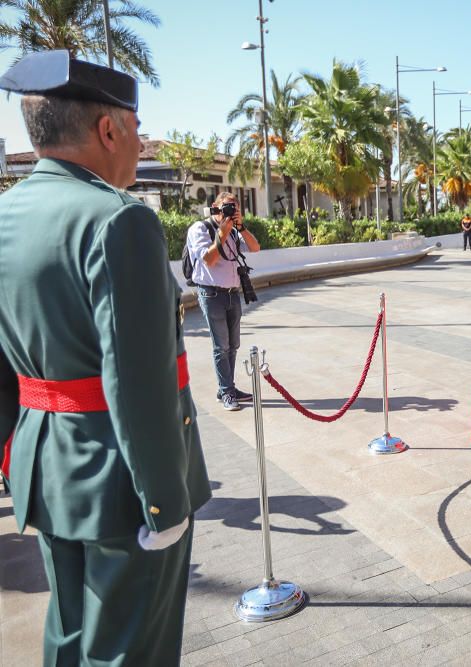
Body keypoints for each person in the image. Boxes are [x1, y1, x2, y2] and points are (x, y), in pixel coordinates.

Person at [0, 51, 211, 665]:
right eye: (137, 129)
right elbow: (136, 383)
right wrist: (163, 502)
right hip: (122, 483)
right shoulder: (119, 221)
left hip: (46, 468)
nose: (140, 144)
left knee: (68, 638)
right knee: (127, 651)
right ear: (108, 129)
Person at [187, 192, 261, 412]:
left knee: (233, 345)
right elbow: (209, 260)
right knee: (221, 346)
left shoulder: (234, 231)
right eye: (227, 207)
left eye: (234, 208)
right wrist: (222, 233)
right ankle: (227, 391)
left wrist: (241, 227)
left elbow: (255, 248)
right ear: (215, 208)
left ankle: (227, 388)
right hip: (211, 294)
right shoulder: (200, 229)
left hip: (232, 292)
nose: (230, 212)